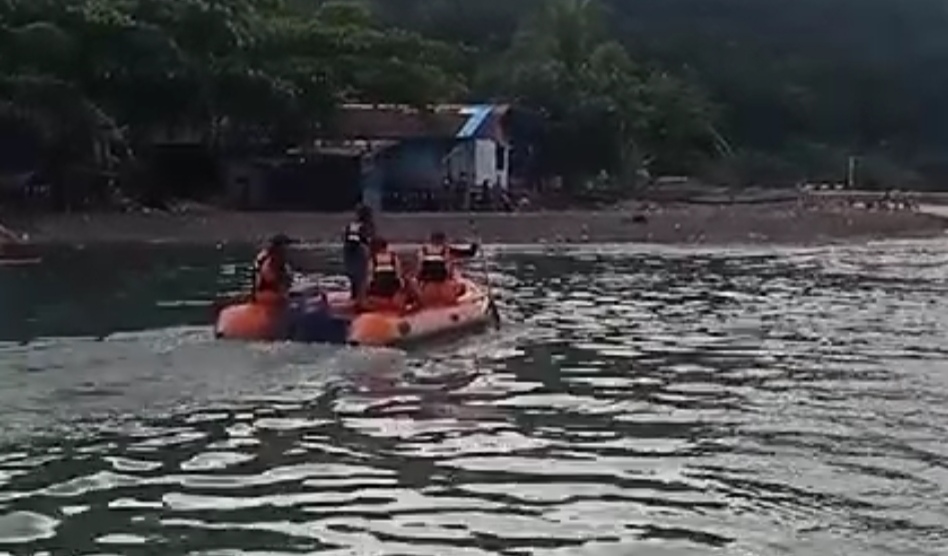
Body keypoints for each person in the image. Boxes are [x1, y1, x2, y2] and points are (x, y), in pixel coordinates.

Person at [415, 231, 478, 306]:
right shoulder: (447, 250)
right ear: (443, 241)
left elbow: (419, 268)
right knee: (462, 287)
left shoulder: (423, 250)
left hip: (427, 286)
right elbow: (470, 253)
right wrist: (475, 244)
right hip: (443, 285)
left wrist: (418, 280)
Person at [363, 237, 414, 312]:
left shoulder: (373, 259)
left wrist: (367, 290)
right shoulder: (393, 257)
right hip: (390, 288)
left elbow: (370, 278)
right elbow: (399, 275)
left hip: (380, 288)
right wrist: (403, 286)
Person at [342, 204, 375, 301]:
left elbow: (345, 237)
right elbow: (369, 239)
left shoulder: (351, 225)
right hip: (360, 250)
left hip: (348, 250)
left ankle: (354, 295)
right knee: (361, 276)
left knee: (353, 274)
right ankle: (361, 297)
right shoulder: (368, 225)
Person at [252, 233, 295, 304]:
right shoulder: (271, 260)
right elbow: (269, 278)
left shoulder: (270, 257)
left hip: (267, 293)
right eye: (285, 246)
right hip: (269, 295)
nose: (287, 249)